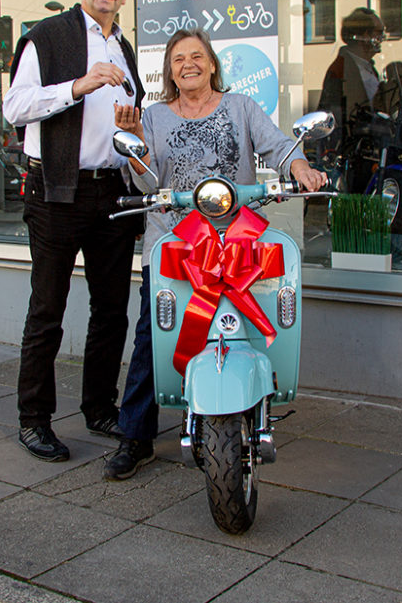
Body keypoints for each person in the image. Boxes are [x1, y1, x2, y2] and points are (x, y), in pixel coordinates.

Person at [105, 28, 327, 480]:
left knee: (253, 322)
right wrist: (133, 141)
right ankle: (136, 437)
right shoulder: (153, 117)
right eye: (178, 58)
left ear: (211, 64)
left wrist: (299, 165)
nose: (188, 64)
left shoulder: (240, 107)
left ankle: (254, 401)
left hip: (239, 240)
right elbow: (146, 184)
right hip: (176, 244)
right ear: (169, 70)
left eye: (196, 56)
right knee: (152, 337)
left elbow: (278, 146)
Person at [3, 0, 145, 462]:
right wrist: (79, 86)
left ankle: (100, 408)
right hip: (56, 192)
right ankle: (34, 420)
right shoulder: (49, 35)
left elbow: (125, 123)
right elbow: (15, 107)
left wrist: (132, 129)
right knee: (48, 310)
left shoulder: (122, 46)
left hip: (111, 190)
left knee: (111, 311)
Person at [316, 7, 387, 149]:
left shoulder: (368, 67)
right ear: (366, 35)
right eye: (379, 33)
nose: (382, 39)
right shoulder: (341, 69)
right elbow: (335, 114)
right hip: (351, 147)